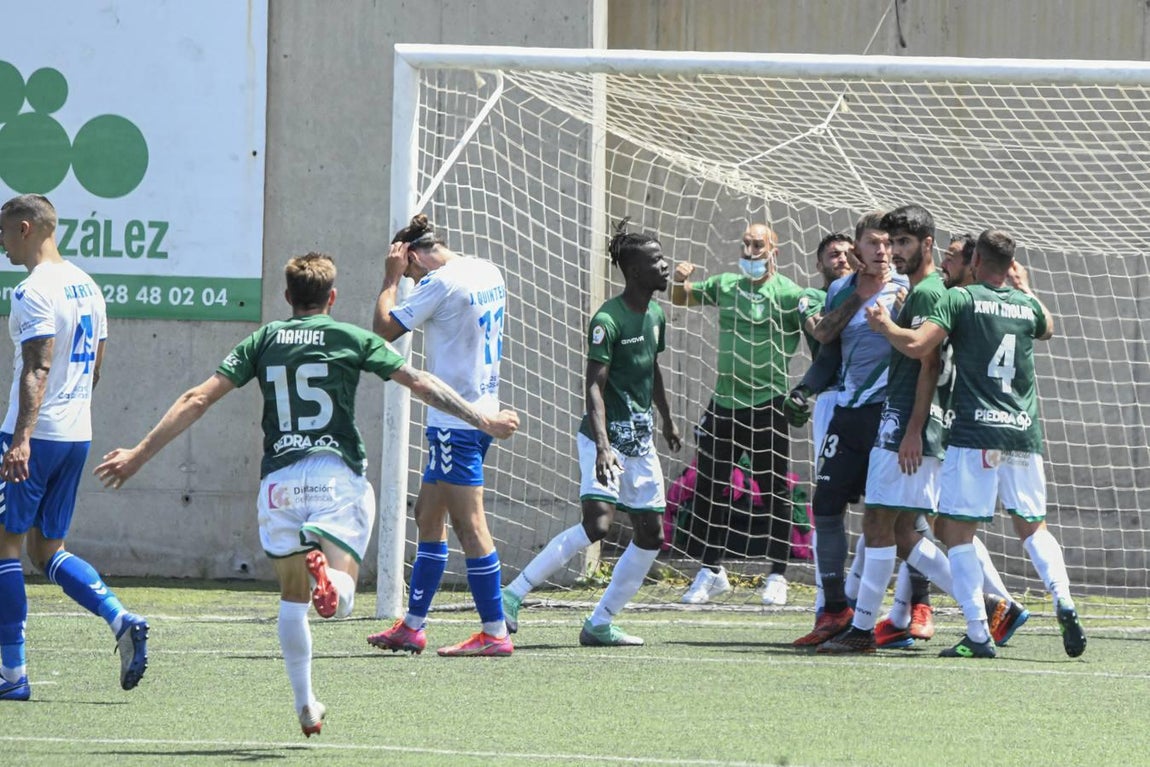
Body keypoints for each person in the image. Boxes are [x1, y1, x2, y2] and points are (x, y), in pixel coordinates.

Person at [93, 252, 519, 735]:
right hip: (336, 478)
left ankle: (307, 703)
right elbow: (419, 381)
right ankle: (333, 583)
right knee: (342, 596)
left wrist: (138, 454)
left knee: (292, 599)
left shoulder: (265, 339)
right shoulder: (349, 338)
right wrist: (481, 418)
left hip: (279, 484)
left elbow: (197, 398)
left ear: (287, 297)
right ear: (332, 297)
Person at [866, 228, 1086, 658]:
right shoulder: (1025, 305)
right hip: (1023, 432)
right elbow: (1049, 327)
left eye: (955, 257)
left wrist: (885, 324)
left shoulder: (959, 299)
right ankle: (1064, 599)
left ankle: (978, 632)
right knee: (1033, 527)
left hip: (973, 433)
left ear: (977, 263)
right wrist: (1026, 288)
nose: (949, 265)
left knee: (956, 532)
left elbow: (917, 346)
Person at [501, 218, 682, 645]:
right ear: (636, 271)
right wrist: (602, 445)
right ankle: (511, 594)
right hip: (604, 440)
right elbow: (594, 386)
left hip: (640, 442)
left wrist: (668, 418)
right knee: (598, 524)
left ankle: (600, 622)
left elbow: (651, 369)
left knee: (652, 534)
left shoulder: (655, 314)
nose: (665, 266)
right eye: (656, 261)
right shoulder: (608, 319)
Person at [0, 194, 148, 703]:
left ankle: (13, 675)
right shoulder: (88, 284)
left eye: (2, 231)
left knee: (5, 548)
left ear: (25, 228)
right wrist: (69, 412)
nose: (0, 243)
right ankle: (120, 617)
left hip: (34, 437)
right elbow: (98, 365)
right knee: (48, 550)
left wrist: (20, 439)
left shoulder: (29, 291)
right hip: (75, 433)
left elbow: (38, 367)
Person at [366, 214, 516, 658]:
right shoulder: (488, 269)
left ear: (411, 256)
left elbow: (384, 331)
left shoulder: (439, 284)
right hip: (480, 409)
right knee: (428, 516)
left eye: (409, 269)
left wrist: (390, 280)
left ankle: (494, 631)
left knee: (471, 527)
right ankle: (412, 626)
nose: (411, 278)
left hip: (457, 423)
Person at [785, 212, 909, 647]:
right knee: (826, 505)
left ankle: (919, 607)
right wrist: (858, 297)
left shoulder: (910, 289)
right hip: (848, 411)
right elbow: (824, 344)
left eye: (888, 243)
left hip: (890, 414)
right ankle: (836, 606)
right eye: (874, 243)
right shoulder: (841, 289)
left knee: (900, 519)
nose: (882, 251)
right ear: (859, 249)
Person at [669, 223, 804, 606]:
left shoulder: (790, 294)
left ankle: (777, 575)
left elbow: (819, 328)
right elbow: (681, 298)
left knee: (772, 490)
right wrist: (679, 281)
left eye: (757, 245)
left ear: (773, 249)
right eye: (745, 244)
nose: (749, 251)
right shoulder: (726, 284)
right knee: (710, 488)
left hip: (768, 405)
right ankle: (711, 571)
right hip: (725, 403)